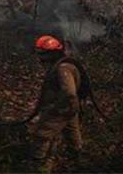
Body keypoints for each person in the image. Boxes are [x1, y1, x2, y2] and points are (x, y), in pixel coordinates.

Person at [30, 34, 88, 173]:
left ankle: (40, 166)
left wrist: (54, 108)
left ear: (51, 54)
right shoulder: (60, 65)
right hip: (69, 108)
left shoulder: (62, 68)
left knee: (42, 135)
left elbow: (69, 93)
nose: (40, 58)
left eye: (42, 54)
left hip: (62, 109)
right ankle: (80, 164)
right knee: (73, 137)